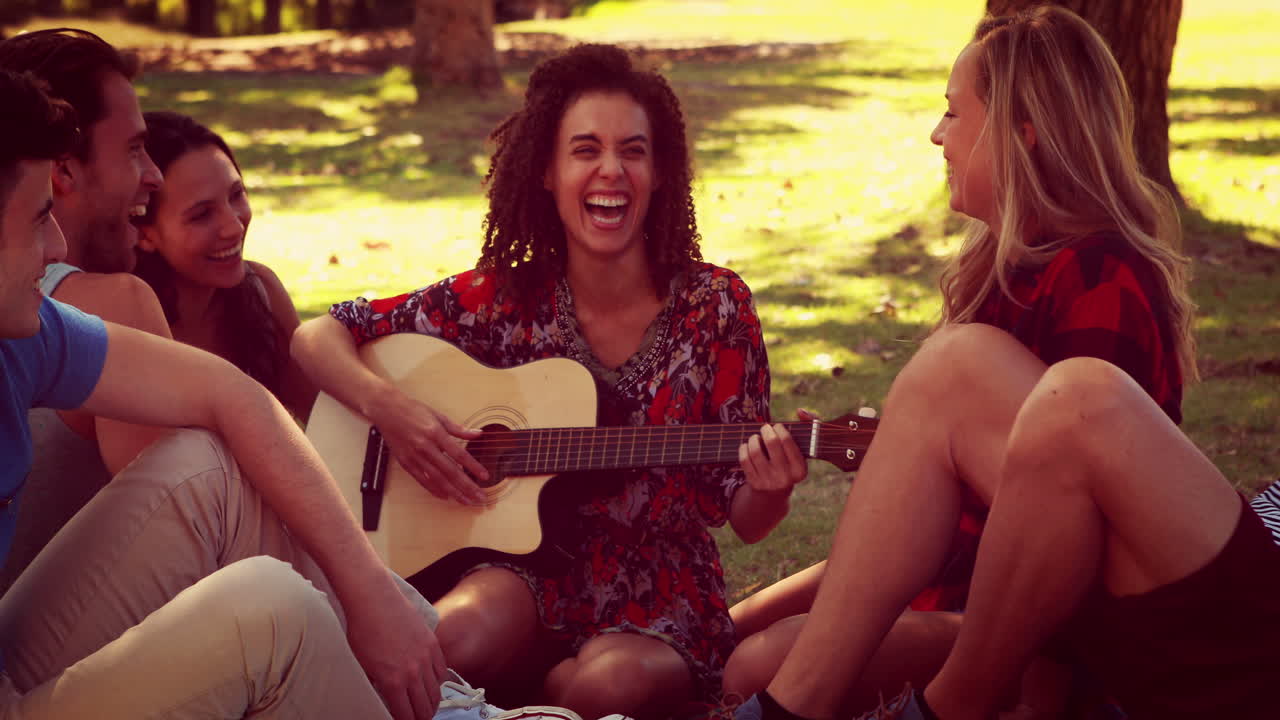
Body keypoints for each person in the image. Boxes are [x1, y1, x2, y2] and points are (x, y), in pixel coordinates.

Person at [292, 43, 807, 719]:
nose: (611, 171)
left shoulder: (715, 306)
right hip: (521, 568)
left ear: (659, 173)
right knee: (446, 640)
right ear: (545, 170)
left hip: (661, 583)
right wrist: (397, 415)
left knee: (600, 689)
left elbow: (746, 514)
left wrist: (772, 487)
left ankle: (523, 700)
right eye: (585, 149)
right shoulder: (506, 297)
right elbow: (317, 337)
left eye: (634, 151)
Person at [728, 6, 1215, 717]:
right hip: (959, 584)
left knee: (760, 662)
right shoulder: (1005, 272)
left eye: (953, 114)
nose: (936, 134)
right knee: (739, 637)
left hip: (1030, 620)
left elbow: (1081, 537)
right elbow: (908, 541)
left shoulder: (1101, 277)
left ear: (1023, 135)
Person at [0, 69, 447, 719]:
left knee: (207, 466)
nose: (59, 245)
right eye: (41, 217)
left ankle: (445, 700)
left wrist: (370, 594)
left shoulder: (24, 332)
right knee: (269, 611)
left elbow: (231, 393)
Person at [0, 28, 172, 595]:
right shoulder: (113, 305)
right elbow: (177, 548)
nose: (155, 174)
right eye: (133, 149)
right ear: (63, 168)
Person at [133, 110, 315, 420]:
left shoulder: (262, 291)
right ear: (144, 233)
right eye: (201, 214)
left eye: (236, 195)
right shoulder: (129, 326)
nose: (234, 227)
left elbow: (321, 422)